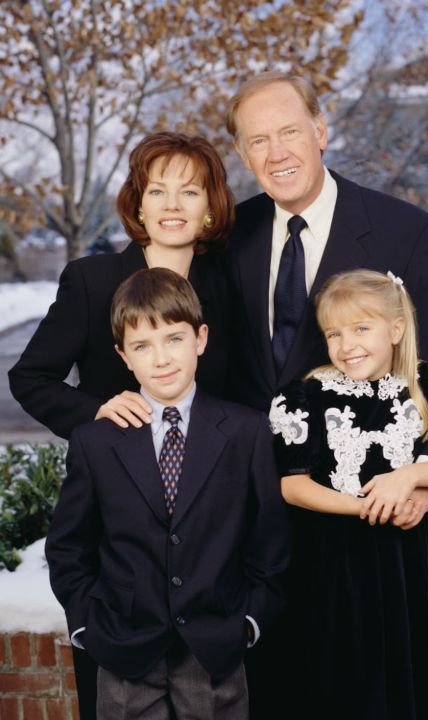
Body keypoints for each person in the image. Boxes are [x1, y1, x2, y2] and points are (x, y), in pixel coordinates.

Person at [8, 131, 233, 720]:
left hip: (212, 550)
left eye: (190, 190)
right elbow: (31, 379)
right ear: (137, 204)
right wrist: (98, 408)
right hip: (119, 543)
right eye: (157, 190)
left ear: (211, 206)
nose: (173, 204)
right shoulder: (91, 280)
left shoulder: (231, 288)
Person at [45, 268, 291, 720]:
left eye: (174, 339)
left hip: (215, 650)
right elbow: (68, 547)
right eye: (142, 346)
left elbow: (269, 541)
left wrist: (249, 623)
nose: (161, 359)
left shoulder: (245, 431)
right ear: (124, 356)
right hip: (124, 652)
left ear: (200, 338)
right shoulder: (96, 442)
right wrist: (86, 626)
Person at [266, 269, 428, 719]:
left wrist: (409, 479)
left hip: (407, 564)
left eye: (362, 328)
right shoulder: (305, 397)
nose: (347, 345)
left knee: (405, 686)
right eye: (334, 333)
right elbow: (293, 485)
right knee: (342, 686)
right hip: (332, 562)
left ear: (396, 329)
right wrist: (366, 506)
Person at [222, 71, 428, 414]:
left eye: (290, 132)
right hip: (246, 464)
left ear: (320, 131)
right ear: (243, 155)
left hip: (372, 464)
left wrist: (421, 466)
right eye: (258, 141)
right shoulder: (227, 237)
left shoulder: (407, 232)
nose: (277, 154)